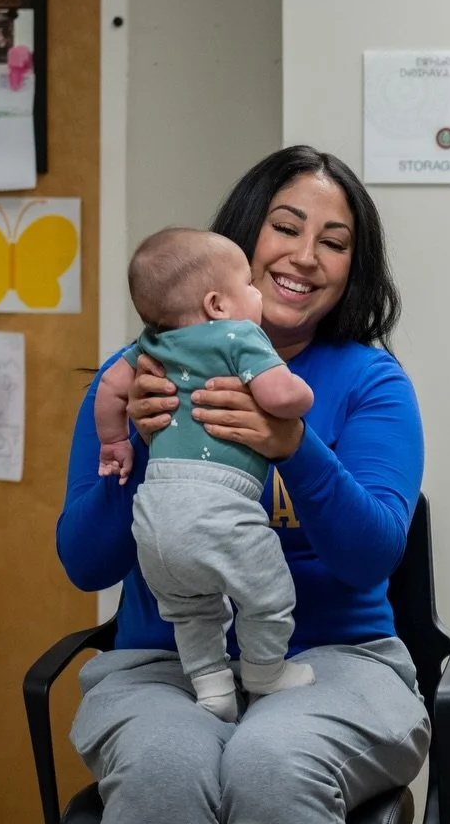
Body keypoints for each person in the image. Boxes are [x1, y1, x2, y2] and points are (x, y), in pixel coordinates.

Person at [57, 146, 430, 824]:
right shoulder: (135, 376)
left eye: (334, 242)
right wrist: (139, 442)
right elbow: (86, 563)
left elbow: (371, 556)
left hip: (335, 664)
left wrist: (294, 445)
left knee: (269, 761)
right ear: (241, 239)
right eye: (286, 228)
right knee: (167, 770)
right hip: (162, 665)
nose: (306, 256)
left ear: (354, 268)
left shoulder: (372, 384)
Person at [94, 228, 318, 722]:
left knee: (190, 609)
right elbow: (280, 396)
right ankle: (263, 671)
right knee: (268, 593)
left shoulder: (151, 345)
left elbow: (109, 385)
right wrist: (303, 399)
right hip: (217, 507)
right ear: (218, 304)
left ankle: (212, 686)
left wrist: (114, 442)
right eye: (249, 284)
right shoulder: (239, 336)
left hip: (154, 515)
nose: (258, 292)